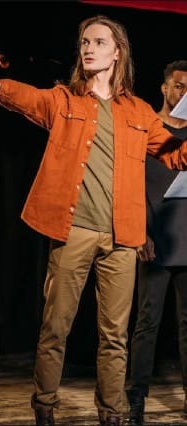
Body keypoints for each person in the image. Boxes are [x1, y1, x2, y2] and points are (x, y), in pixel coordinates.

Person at [0, 15, 187, 426]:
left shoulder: (139, 111)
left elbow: (175, 155)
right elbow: (27, 98)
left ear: (117, 52)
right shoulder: (65, 101)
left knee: (115, 335)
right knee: (56, 326)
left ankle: (112, 413)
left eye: (98, 42)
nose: (88, 48)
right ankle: (45, 406)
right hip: (73, 229)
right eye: (84, 42)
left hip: (122, 238)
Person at [126, 60, 187, 426]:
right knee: (147, 322)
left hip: (186, 236)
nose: (184, 92)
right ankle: (135, 400)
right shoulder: (147, 128)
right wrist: (140, 233)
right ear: (164, 88)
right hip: (154, 239)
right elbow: (131, 186)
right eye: (178, 85)